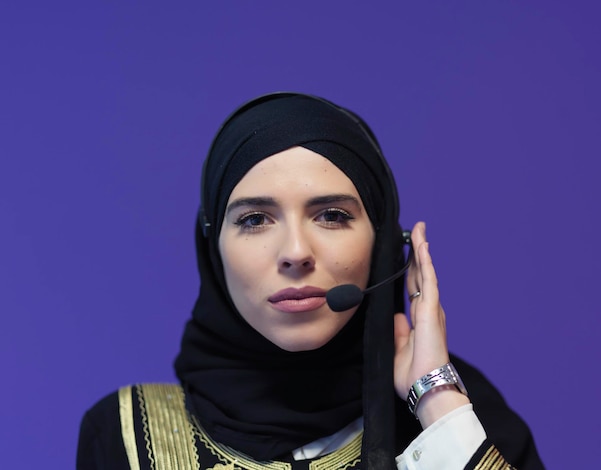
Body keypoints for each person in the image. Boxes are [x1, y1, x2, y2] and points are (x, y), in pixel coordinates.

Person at [77, 92, 544, 469]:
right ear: (212, 246)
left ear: (383, 243)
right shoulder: (125, 436)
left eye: (333, 215)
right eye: (256, 219)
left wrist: (437, 402)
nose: (296, 253)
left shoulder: (466, 416)